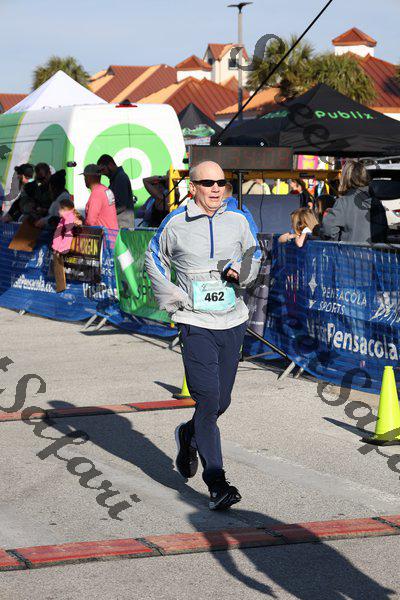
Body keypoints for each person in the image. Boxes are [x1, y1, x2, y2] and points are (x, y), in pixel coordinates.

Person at [145, 160, 261, 510]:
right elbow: (153, 258)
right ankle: (217, 481)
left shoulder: (239, 219)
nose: (215, 188)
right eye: (208, 182)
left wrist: (241, 272)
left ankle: (189, 434)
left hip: (232, 319)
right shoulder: (175, 223)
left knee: (221, 402)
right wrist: (174, 298)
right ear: (192, 187)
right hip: (195, 322)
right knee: (208, 400)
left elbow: (254, 253)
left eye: (221, 182)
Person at [320, 160, 387, 243]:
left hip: (351, 250)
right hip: (375, 250)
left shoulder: (344, 202)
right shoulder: (376, 202)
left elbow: (327, 229)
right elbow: (384, 231)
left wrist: (339, 239)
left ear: (345, 178)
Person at [97, 154, 135, 228]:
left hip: (123, 226)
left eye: (103, 170)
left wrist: (103, 214)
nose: (103, 174)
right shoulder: (116, 178)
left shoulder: (120, 177)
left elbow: (121, 206)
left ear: (110, 165)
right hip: (122, 224)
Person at [82, 164, 119, 229]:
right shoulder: (106, 189)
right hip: (112, 232)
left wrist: (81, 222)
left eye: (85, 177)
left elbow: (90, 221)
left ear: (90, 177)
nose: (84, 179)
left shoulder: (97, 193)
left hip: (103, 234)